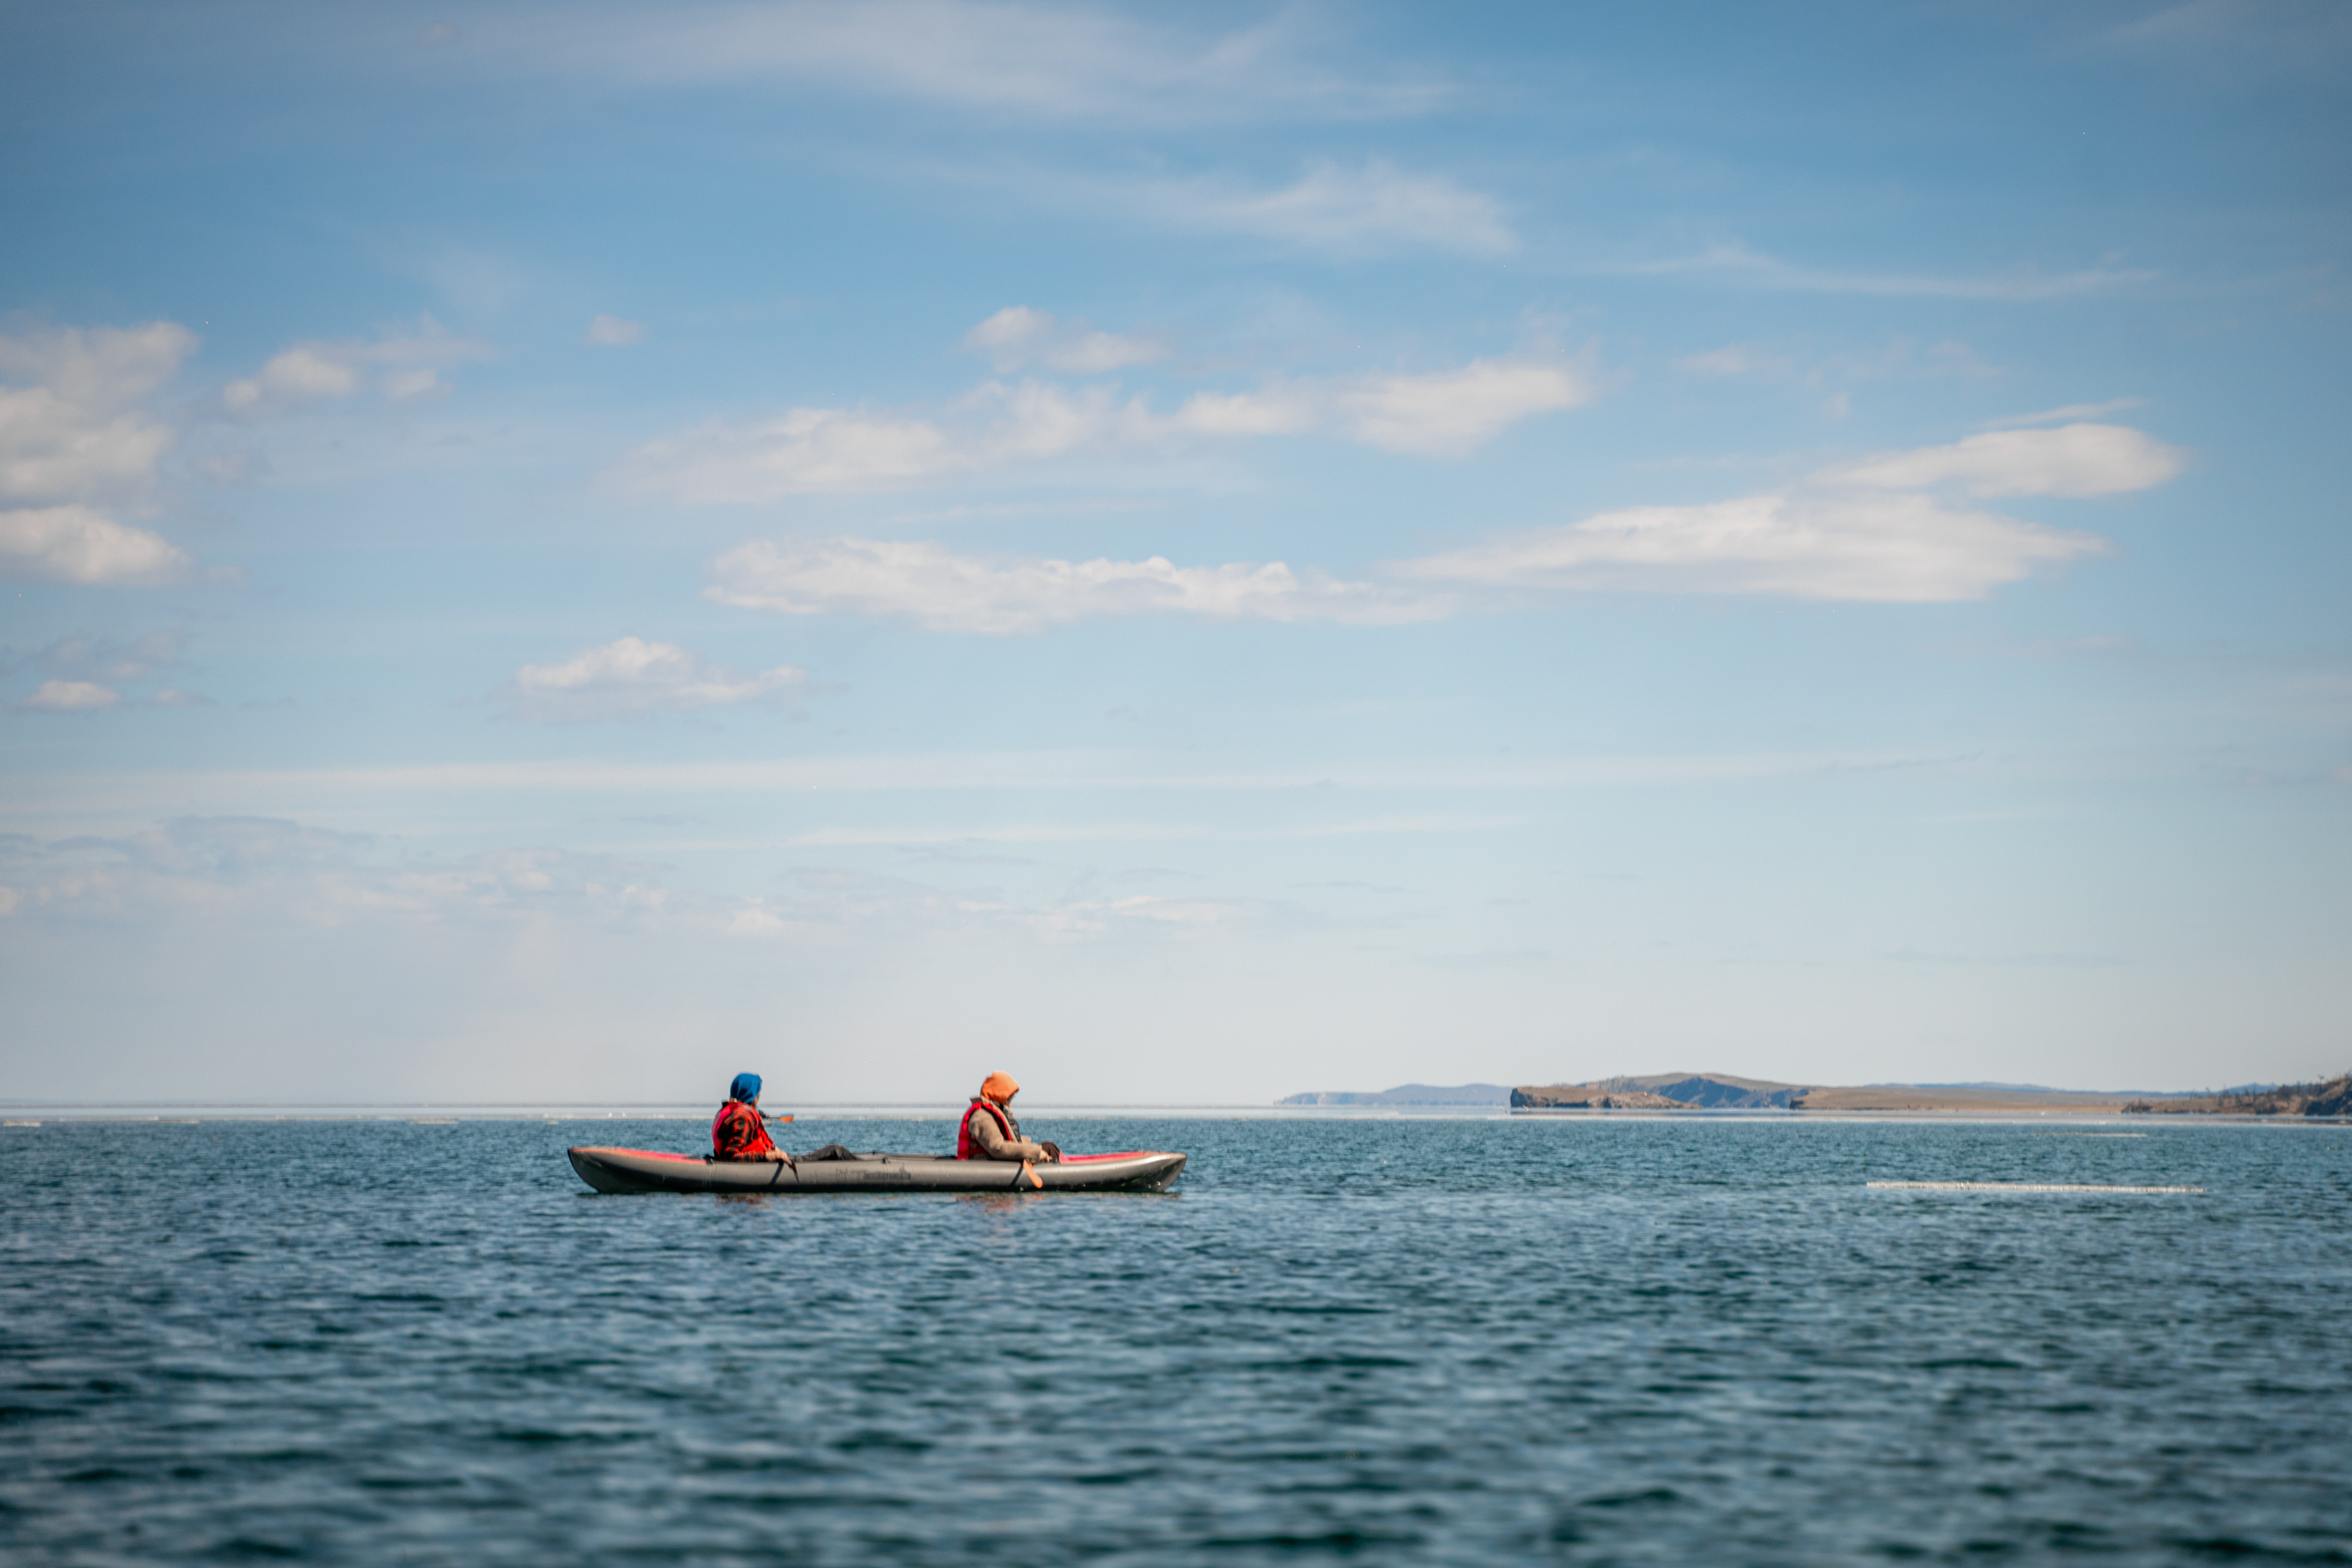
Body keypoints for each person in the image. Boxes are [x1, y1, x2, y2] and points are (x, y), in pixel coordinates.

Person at [956, 1071, 1061, 1163]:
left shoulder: (988, 1113)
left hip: (1000, 1162)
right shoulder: (982, 1117)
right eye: (1009, 1100)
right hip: (992, 1167)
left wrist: (1029, 1145)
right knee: (1049, 1150)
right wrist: (1036, 1153)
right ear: (999, 1096)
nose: (1010, 1105)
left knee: (1049, 1147)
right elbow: (998, 1148)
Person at [711, 1072, 792, 1164]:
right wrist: (768, 1156)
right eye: (758, 1092)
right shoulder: (742, 1118)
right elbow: (731, 1157)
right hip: (748, 1169)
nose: (760, 1095)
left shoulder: (733, 1111)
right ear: (752, 1095)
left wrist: (773, 1150)